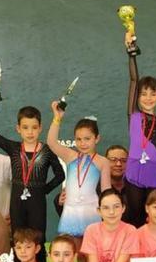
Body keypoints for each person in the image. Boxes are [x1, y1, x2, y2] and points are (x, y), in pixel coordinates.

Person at [0, 91, 65, 262]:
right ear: (18, 129)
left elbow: (60, 175)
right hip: (17, 202)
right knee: (18, 241)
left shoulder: (47, 151)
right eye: (25, 128)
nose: (30, 132)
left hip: (37, 202)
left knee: (38, 240)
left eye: (34, 128)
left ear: (40, 128)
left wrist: (42, 190)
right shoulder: (14, 148)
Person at [46, 101, 111, 247]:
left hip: (92, 211)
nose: (83, 143)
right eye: (79, 139)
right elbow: (51, 142)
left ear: (97, 138)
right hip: (70, 211)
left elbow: (107, 191)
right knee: (67, 249)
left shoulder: (103, 162)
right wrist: (57, 118)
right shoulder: (70, 156)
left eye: (87, 139)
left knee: (88, 254)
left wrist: (108, 213)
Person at [123, 28, 156, 227]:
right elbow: (134, 80)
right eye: (143, 94)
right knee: (134, 218)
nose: (148, 98)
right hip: (134, 173)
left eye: (152, 94)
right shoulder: (133, 114)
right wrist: (131, 53)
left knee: (154, 219)